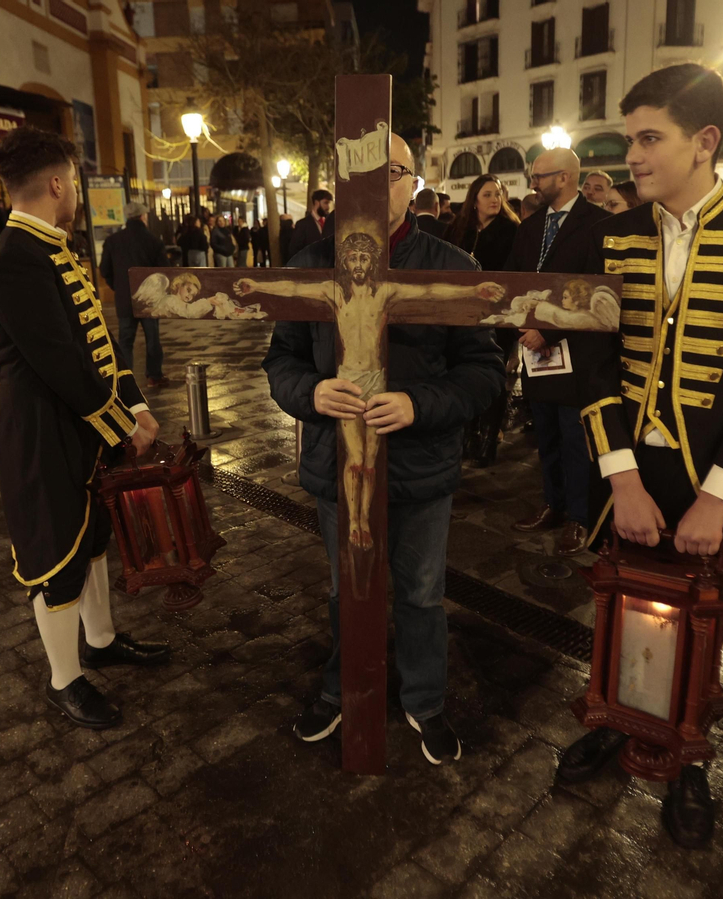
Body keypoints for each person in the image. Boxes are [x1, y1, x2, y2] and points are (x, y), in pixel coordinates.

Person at [560, 63, 723, 849]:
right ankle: (611, 714)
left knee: (702, 623)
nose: (631, 155)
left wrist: (720, 497)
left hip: (717, 477)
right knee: (613, 605)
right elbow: (593, 364)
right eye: (628, 138)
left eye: (648, 138)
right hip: (628, 468)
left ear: (704, 142)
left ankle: (688, 754)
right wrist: (621, 476)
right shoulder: (614, 234)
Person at [262, 134, 504, 765]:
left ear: (413, 182)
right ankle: (346, 685)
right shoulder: (311, 264)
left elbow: (484, 373)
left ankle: (424, 699)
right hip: (337, 464)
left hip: (420, 467)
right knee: (350, 588)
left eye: (392, 171)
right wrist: (312, 393)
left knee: (421, 592)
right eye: (359, 172)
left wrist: (419, 403)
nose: (375, 184)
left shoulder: (452, 267)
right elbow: (280, 361)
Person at [0, 128, 169, 731]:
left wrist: (133, 405)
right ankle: (64, 680)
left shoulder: (55, 248)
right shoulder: (16, 260)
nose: (78, 192)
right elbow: (63, 366)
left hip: (76, 423)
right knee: (55, 552)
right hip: (40, 430)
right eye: (75, 181)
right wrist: (122, 428)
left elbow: (101, 349)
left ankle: (103, 639)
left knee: (90, 539)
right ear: (58, 183)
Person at [506, 148, 612, 557]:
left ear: (565, 177)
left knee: (575, 438)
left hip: (576, 353)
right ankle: (553, 503)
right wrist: (520, 324)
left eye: (540, 176)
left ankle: (580, 518)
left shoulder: (599, 224)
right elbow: (515, 279)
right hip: (535, 350)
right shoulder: (530, 227)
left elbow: (596, 293)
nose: (533, 183)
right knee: (545, 434)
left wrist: (547, 333)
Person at [445, 175, 522, 467]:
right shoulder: (458, 228)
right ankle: (468, 434)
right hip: (463, 315)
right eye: (488, 194)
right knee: (464, 373)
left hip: (497, 315)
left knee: (494, 376)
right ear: (474, 198)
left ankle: (489, 440)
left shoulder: (511, 230)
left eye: (499, 194)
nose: (495, 199)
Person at [100, 201, 171, 389]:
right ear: (143, 216)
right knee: (152, 338)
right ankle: (154, 375)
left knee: (125, 340)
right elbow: (165, 271)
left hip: (125, 299)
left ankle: (126, 380)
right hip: (150, 299)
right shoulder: (153, 241)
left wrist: (118, 287)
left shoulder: (113, 241)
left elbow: (104, 269)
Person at [289, 189, 334, 258]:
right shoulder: (302, 224)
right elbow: (295, 250)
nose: (328, 207)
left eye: (328, 203)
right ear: (316, 202)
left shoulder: (330, 222)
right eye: (325, 203)